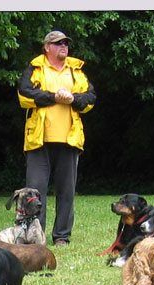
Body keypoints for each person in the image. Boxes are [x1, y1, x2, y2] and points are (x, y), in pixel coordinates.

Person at [17, 30, 96, 246]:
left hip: (69, 141)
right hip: (38, 141)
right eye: (58, 43)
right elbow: (24, 95)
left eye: (66, 43)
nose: (64, 46)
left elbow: (90, 99)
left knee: (67, 193)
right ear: (47, 47)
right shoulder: (36, 68)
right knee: (34, 192)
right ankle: (35, 237)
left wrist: (72, 98)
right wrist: (54, 97)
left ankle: (62, 237)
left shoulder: (76, 70)